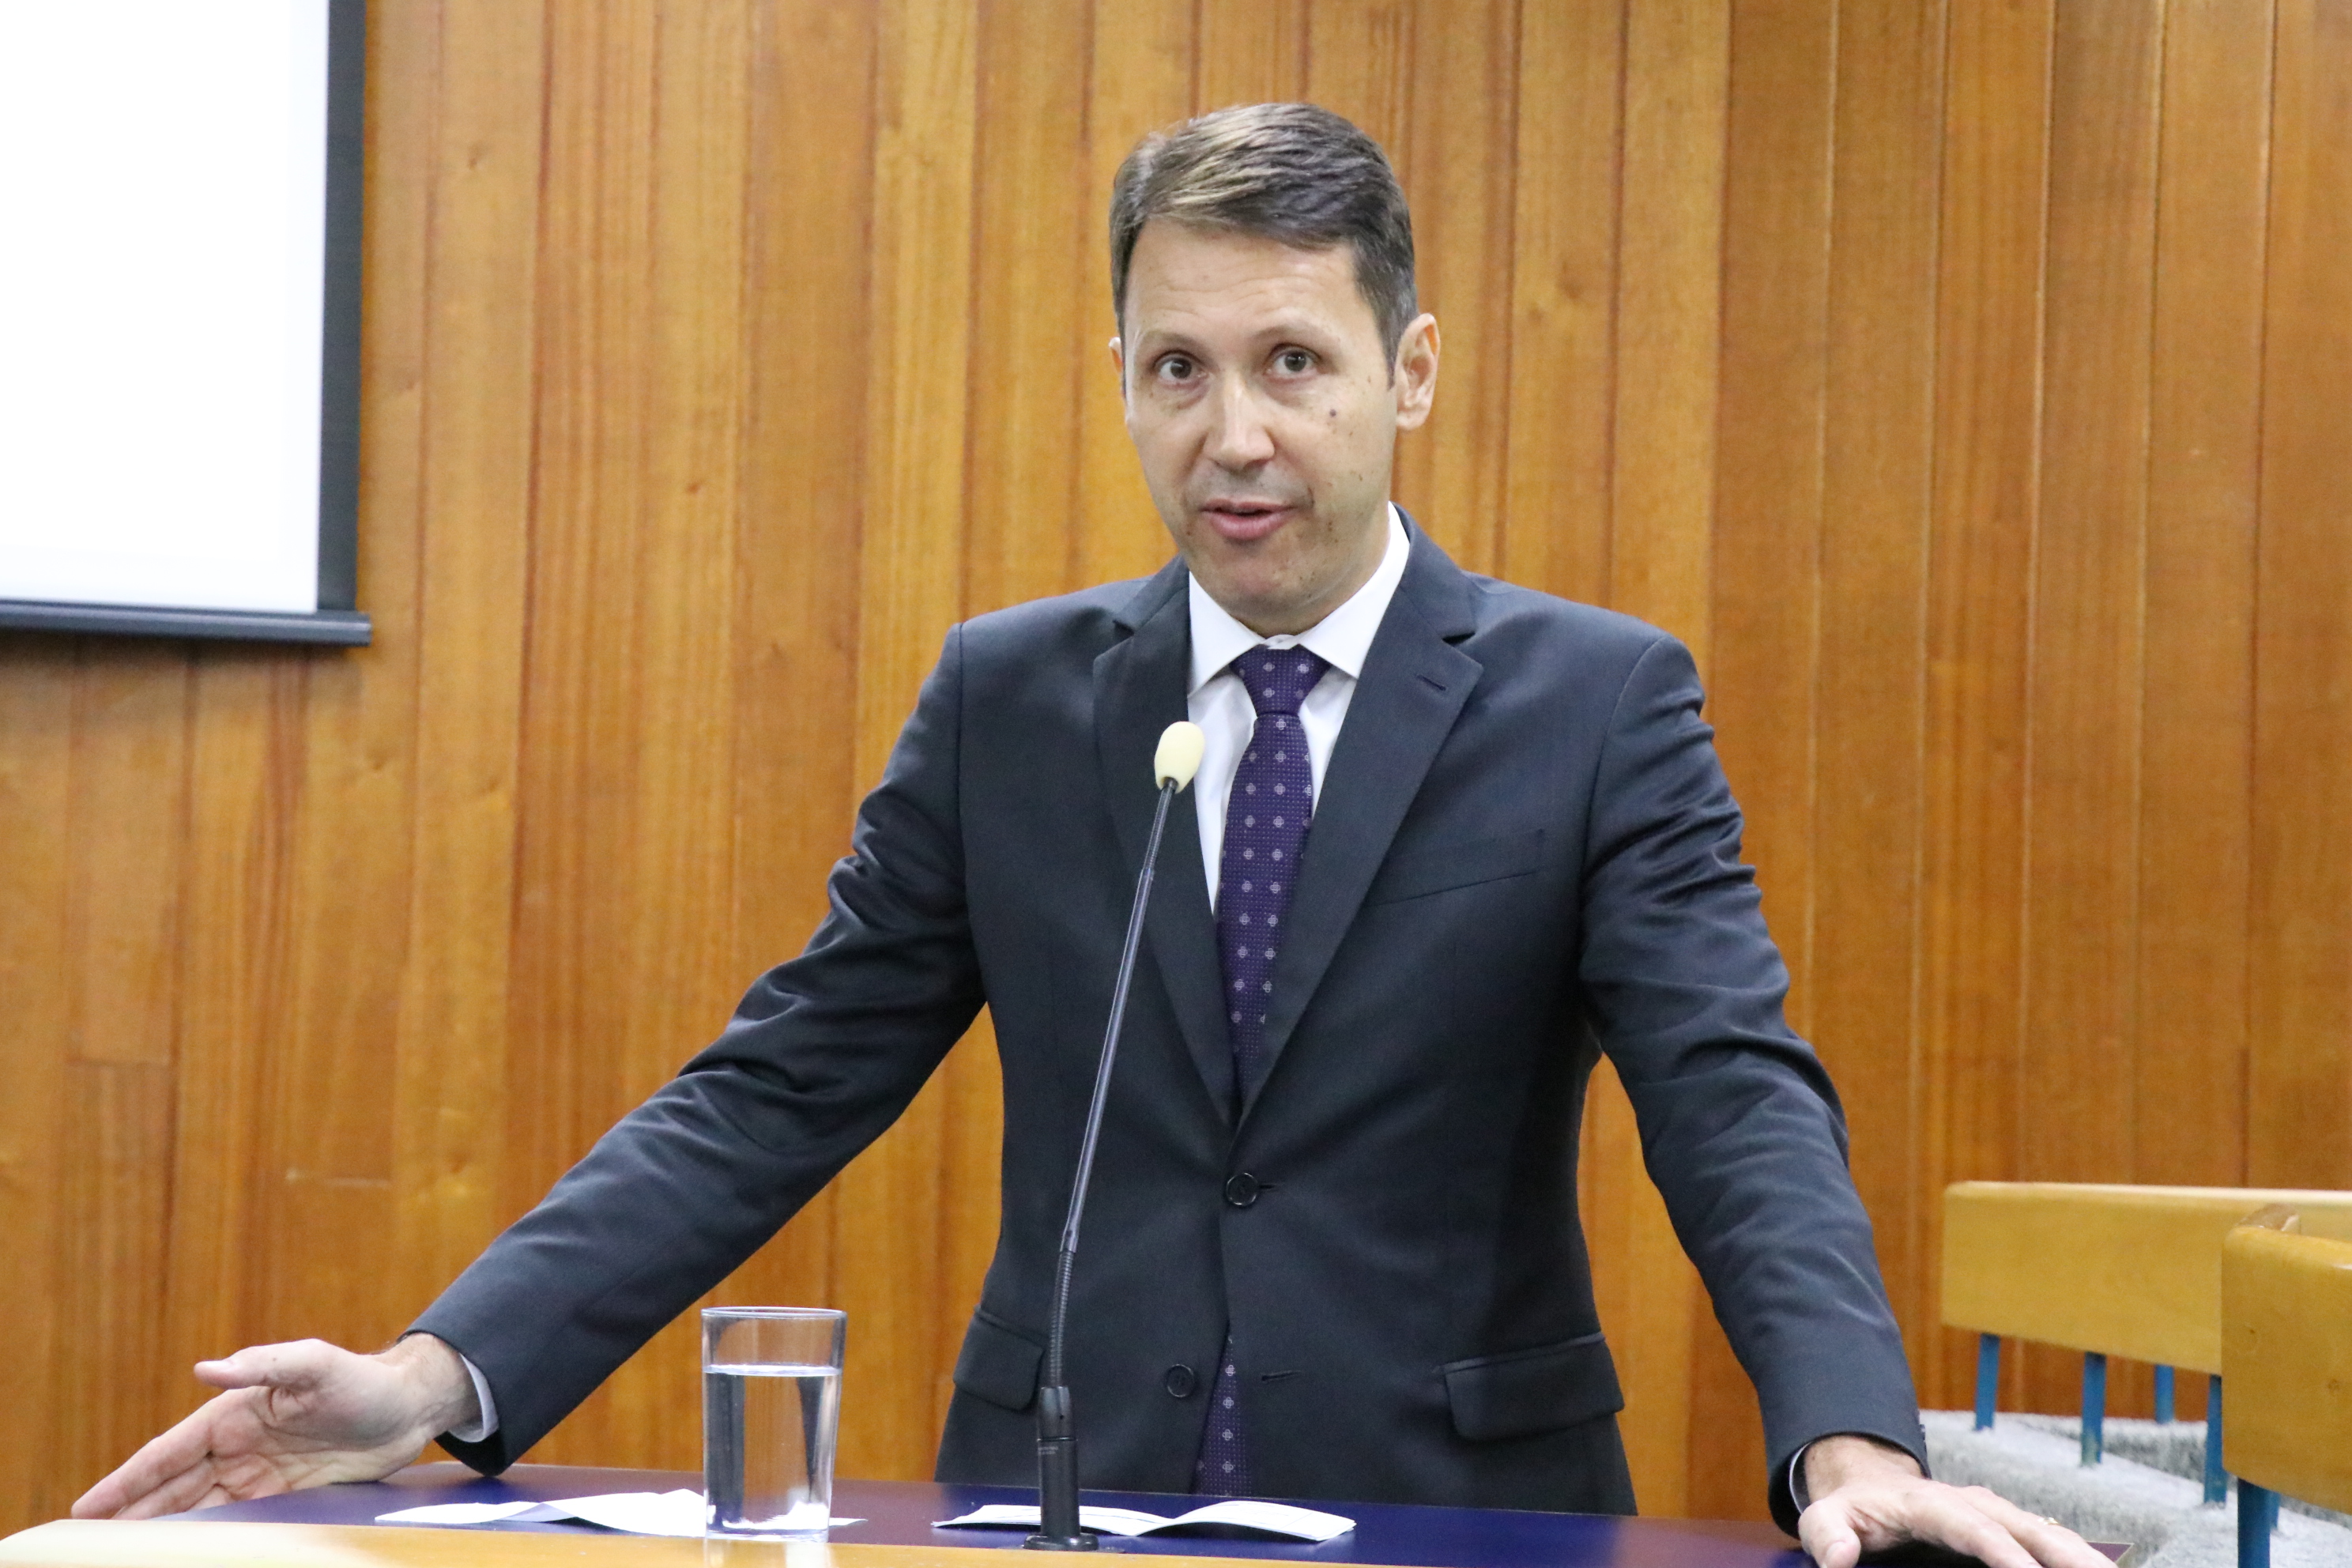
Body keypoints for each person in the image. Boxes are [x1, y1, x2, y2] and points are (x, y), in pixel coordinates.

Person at [77, 104, 2101, 1568]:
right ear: (1122, 381)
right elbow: (781, 1080)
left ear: (1407, 372)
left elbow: (1732, 1092)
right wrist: (439, 1373)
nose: (1236, 432)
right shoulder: (1014, 696)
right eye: (1178, 369)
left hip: (1454, 1511)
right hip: (1053, 1510)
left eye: (1293, 363)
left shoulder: (1595, 701)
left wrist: (1850, 1438)